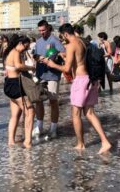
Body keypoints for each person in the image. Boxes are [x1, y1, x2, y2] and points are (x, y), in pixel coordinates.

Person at [43, 23, 112, 153]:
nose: (63, 39)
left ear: (65, 34)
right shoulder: (83, 41)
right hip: (90, 79)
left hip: (80, 81)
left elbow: (67, 68)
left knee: (75, 114)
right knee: (90, 113)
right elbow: (79, 59)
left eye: (62, 36)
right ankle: (105, 141)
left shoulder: (70, 45)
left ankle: (80, 144)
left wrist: (52, 64)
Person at [32, 20, 65, 139]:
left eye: (43, 30)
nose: (41, 33)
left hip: (52, 75)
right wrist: (38, 58)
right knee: (38, 100)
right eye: (40, 30)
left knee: (53, 101)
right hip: (40, 74)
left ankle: (53, 128)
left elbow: (64, 53)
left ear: (48, 28)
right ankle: (39, 126)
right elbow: (34, 55)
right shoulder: (38, 41)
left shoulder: (55, 40)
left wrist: (54, 58)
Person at [3, 35, 36, 148]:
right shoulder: (16, 52)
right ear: (20, 43)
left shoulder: (10, 51)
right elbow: (18, 65)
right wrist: (31, 68)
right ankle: (28, 141)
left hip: (9, 84)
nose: (25, 49)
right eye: (25, 47)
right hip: (16, 85)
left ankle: (11, 141)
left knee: (15, 115)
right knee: (30, 112)